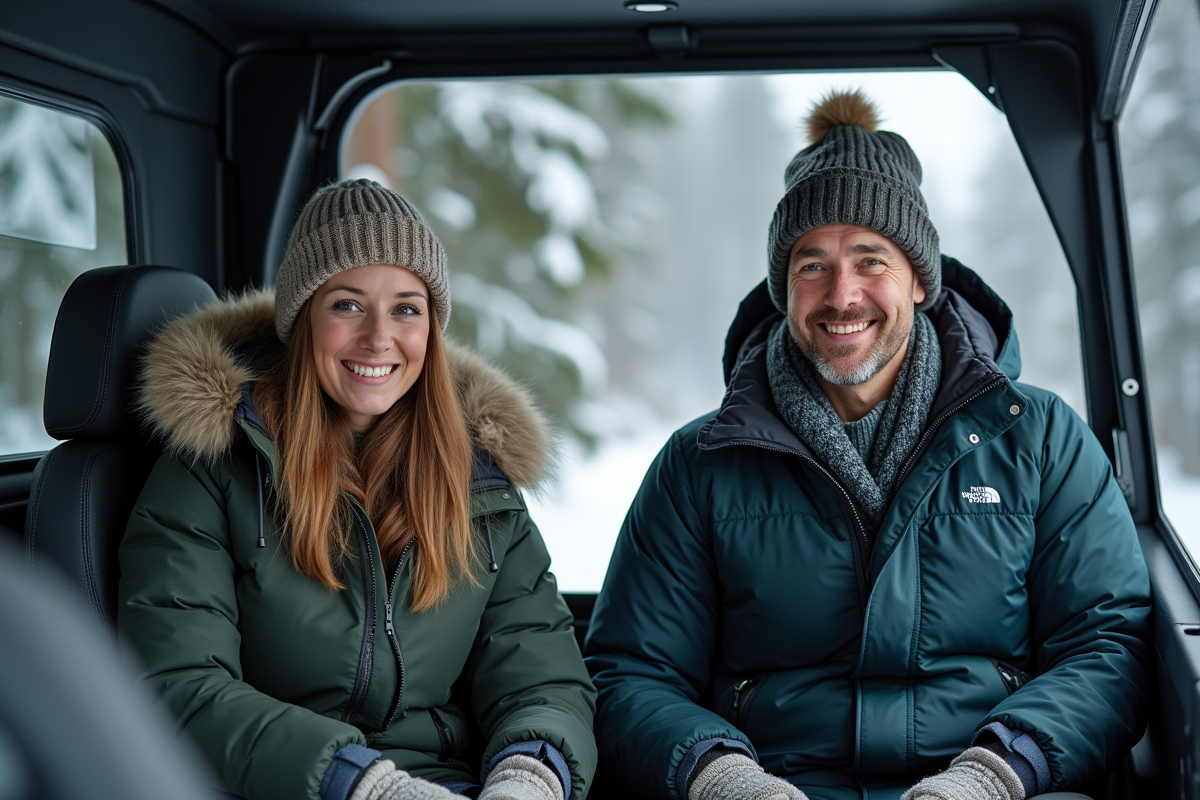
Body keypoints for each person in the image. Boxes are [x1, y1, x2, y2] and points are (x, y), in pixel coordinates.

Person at [583, 90, 1151, 800]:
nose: (841, 294)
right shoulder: (699, 464)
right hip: (777, 782)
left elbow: (1107, 646)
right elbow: (631, 672)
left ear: (919, 280)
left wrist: (993, 775)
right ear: (783, 289)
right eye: (811, 265)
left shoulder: (1039, 440)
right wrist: (723, 778)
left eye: (870, 260)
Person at [119, 179, 596, 800]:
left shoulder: (481, 477)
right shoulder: (211, 465)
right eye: (347, 305)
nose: (379, 337)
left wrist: (529, 778)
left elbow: (543, 675)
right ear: (301, 318)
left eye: (406, 308)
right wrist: (363, 785)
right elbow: (179, 686)